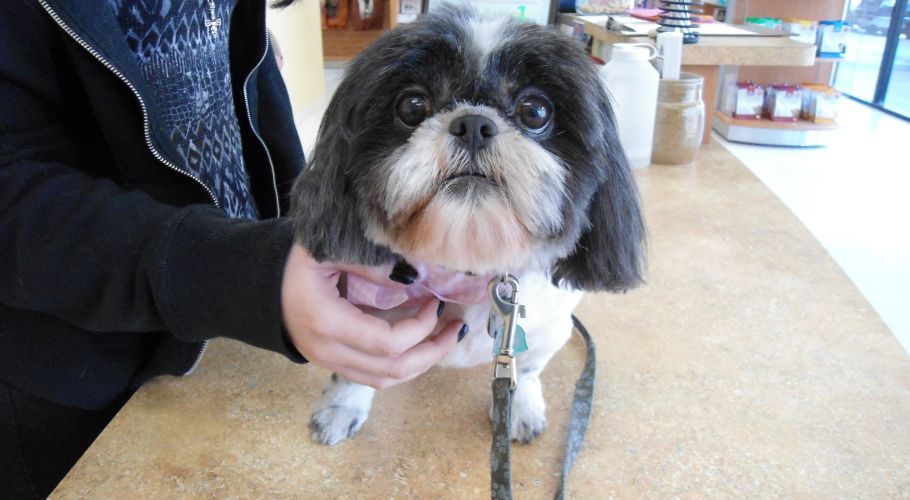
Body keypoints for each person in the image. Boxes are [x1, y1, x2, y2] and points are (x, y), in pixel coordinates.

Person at [0, 1, 464, 497]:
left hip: (249, 307)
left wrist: (302, 224)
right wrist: (249, 275)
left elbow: (236, 62)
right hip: (81, 373)